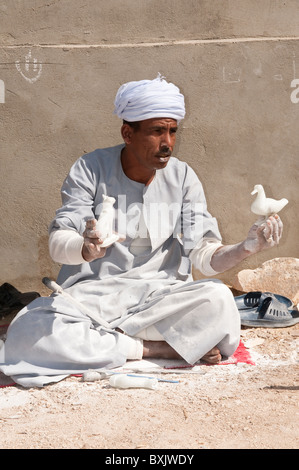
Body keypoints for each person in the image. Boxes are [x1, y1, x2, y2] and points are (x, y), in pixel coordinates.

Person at [0, 74, 283, 388]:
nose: (167, 144)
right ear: (127, 133)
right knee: (27, 331)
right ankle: (154, 349)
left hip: (161, 297)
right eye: (156, 132)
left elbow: (205, 257)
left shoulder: (183, 177)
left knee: (219, 300)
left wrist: (246, 248)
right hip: (96, 296)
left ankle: (109, 345)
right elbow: (58, 240)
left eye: (173, 131)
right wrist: (85, 249)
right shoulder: (90, 169)